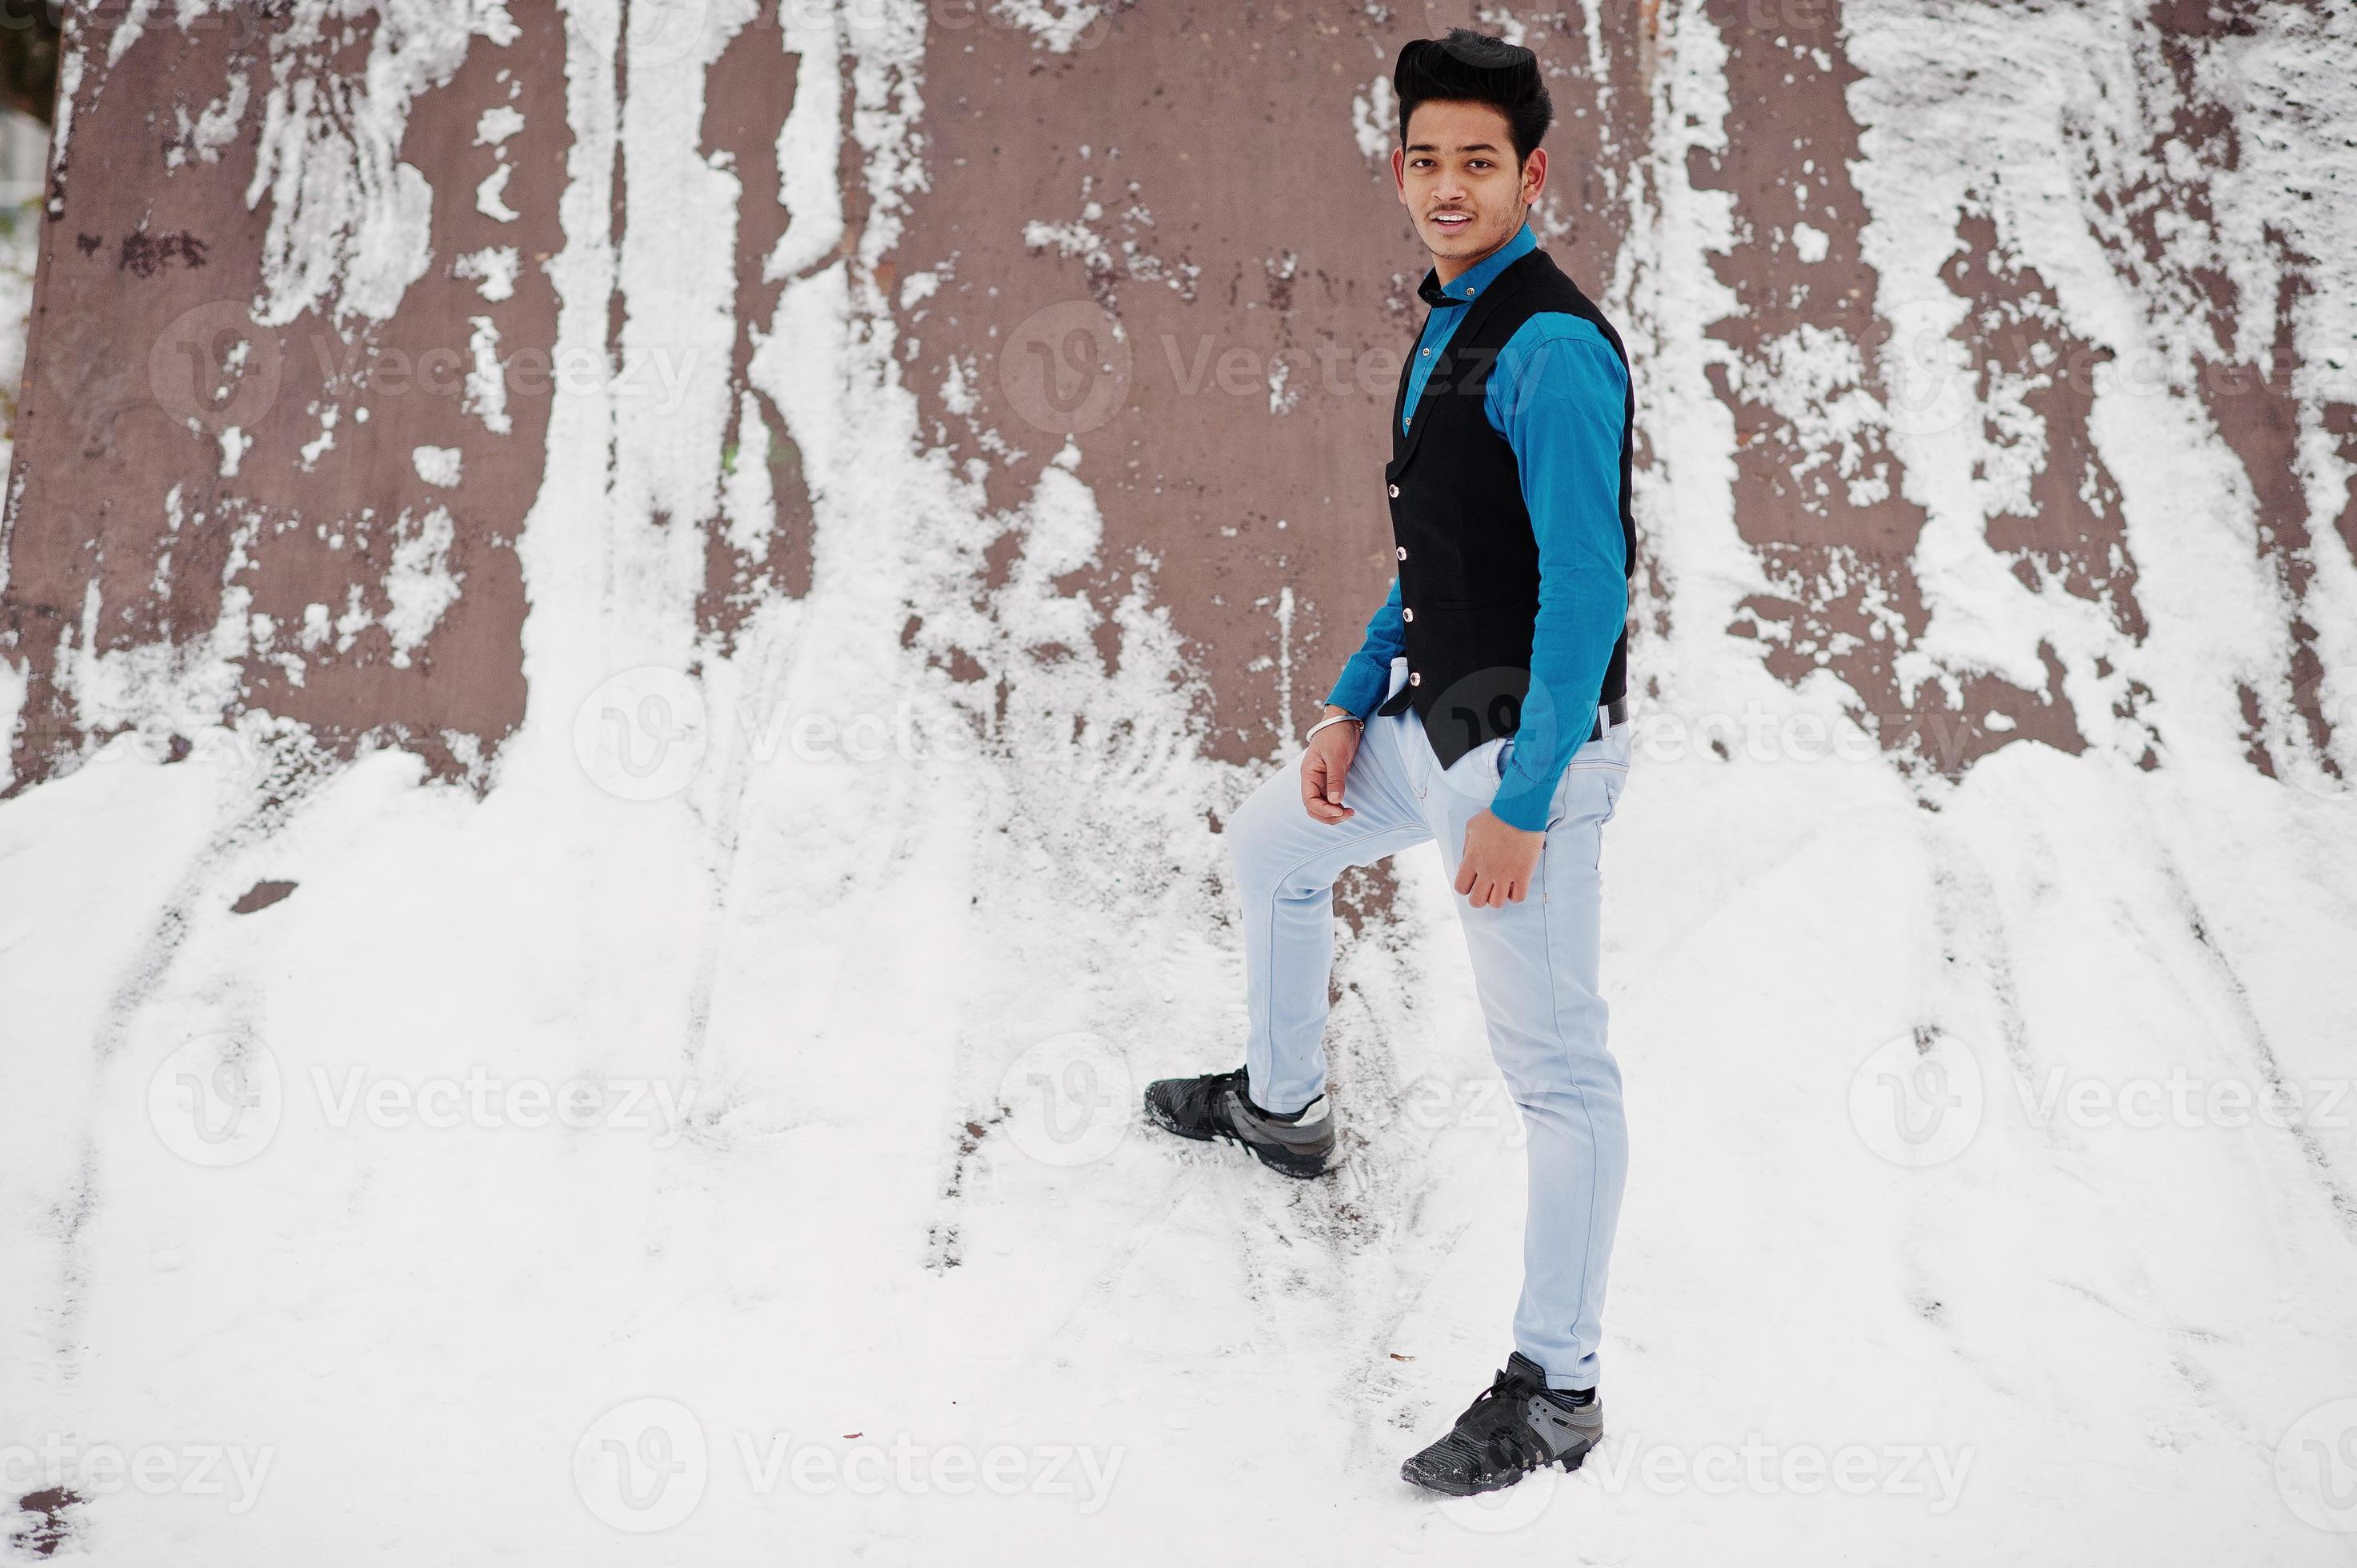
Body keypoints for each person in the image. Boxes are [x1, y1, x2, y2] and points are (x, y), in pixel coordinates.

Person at [1142, 27, 1639, 1498]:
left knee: (1556, 1078)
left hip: (1518, 761)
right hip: (1429, 729)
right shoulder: (1450, 318)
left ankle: (1559, 1388)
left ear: (1529, 174)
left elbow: (1585, 587)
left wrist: (1527, 805)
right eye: (1423, 160)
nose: (1444, 186)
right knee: (1273, 846)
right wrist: (1351, 702)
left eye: (1476, 163)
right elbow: (1444, 555)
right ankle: (1282, 1111)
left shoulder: (1549, 347)